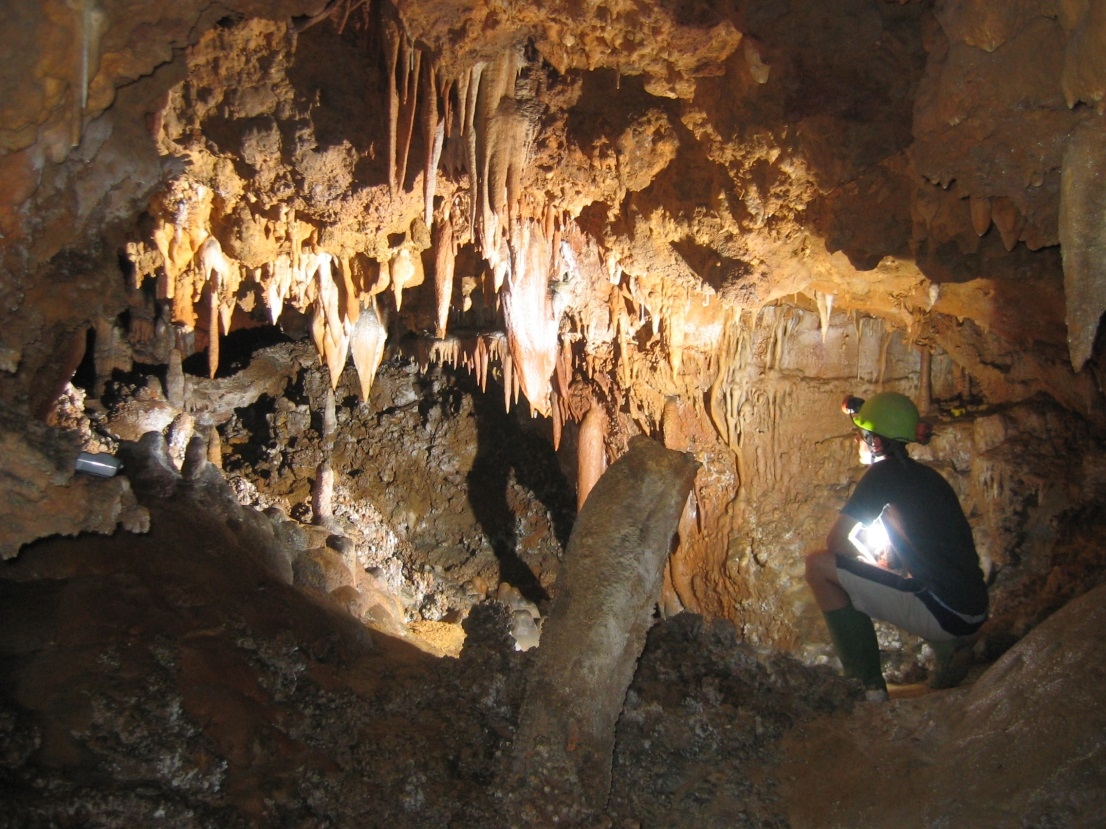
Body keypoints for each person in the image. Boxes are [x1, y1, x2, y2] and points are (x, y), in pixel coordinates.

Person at [804, 391, 989, 700]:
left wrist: (866, 564)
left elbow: (836, 543)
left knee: (818, 566)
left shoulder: (883, 474)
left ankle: (866, 688)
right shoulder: (927, 477)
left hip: (944, 611)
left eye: (862, 435)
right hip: (973, 608)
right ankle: (949, 648)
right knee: (881, 572)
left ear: (876, 441)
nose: (857, 441)